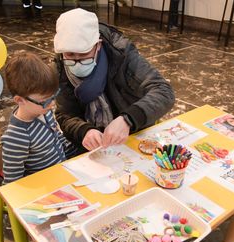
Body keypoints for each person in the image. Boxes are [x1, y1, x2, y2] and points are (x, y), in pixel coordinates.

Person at [53, 8, 175, 151]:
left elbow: (163, 91)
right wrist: (84, 130)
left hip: (134, 132)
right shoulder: (60, 68)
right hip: (96, 145)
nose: (77, 62)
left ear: (98, 45)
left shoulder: (121, 54)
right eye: (70, 55)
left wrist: (128, 119)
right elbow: (65, 114)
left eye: (84, 54)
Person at [1, 52, 77, 183]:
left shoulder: (43, 111)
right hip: (44, 189)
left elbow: (57, 139)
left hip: (62, 175)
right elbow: (13, 183)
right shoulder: (16, 137)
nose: (52, 104)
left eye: (53, 96)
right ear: (19, 100)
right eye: (45, 100)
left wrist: (81, 154)